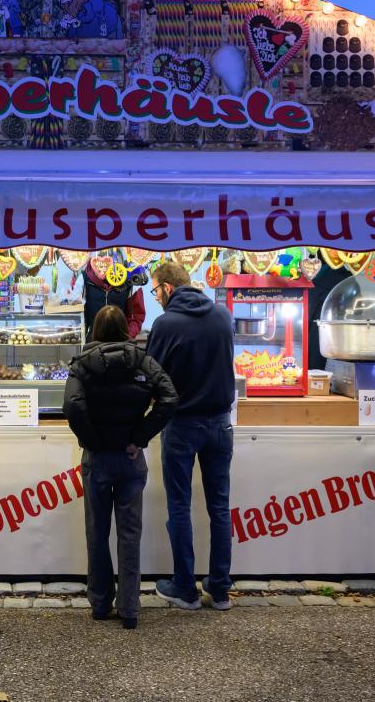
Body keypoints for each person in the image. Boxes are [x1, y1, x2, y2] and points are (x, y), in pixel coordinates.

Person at [63, 305, 178, 629]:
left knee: (97, 532)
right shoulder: (142, 360)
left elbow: (72, 405)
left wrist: (92, 440)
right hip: (130, 459)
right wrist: (140, 437)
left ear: (95, 331)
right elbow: (170, 398)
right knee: (130, 534)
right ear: (125, 330)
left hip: (97, 459)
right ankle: (129, 608)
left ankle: (100, 604)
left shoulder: (83, 364)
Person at [146, 261, 236, 611]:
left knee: (179, 506)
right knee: (220, 508)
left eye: (155, 291)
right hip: (221, 424)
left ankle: (185, 588)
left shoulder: (165, 324)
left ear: (167, 288)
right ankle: (220, 588)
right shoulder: (222, 316)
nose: (156, 297)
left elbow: (151, 375)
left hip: (182, 424)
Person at [82, 258, 145, 340]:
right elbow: (78, 313)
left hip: (121, 341)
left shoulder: (131, 281)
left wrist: (127, 336)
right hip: (93, 340)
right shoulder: (84, 279)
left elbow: (136, 316)